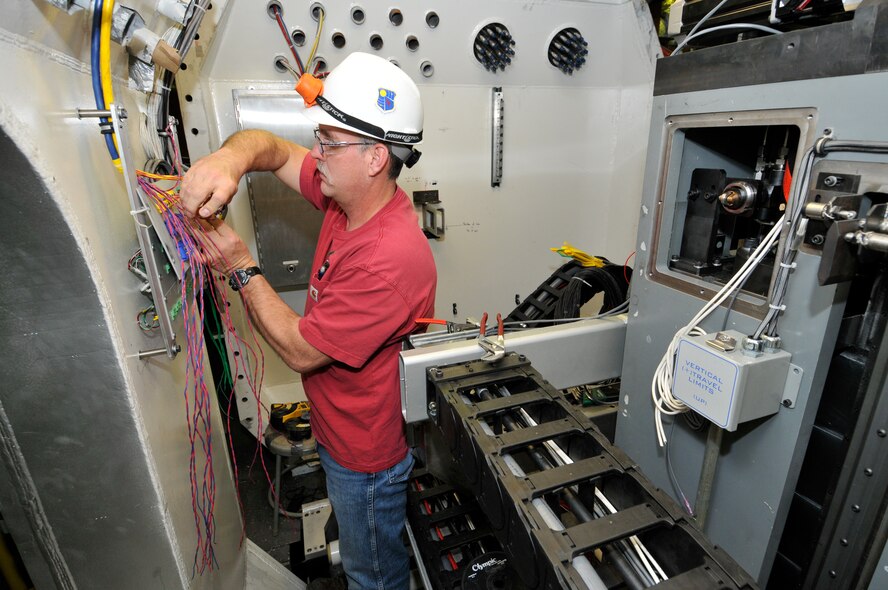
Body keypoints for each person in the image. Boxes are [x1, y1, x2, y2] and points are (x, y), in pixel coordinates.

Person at [180, 52, 436, 589]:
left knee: (375, 573)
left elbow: (299, 350)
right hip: (335, 427)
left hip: (365, 455)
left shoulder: (389, 259)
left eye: (329, 142)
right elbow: (270, 150)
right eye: (318, 137)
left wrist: (238, 264)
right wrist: (228, 162)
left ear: (374, 158)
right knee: (361, 547)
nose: (315, 153)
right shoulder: (349, 199)